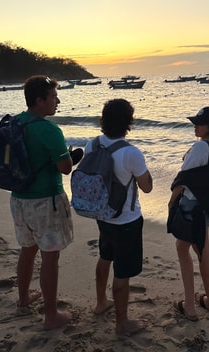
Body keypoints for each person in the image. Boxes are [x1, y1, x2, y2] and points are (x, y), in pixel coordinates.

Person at [10, 75, 82, 330]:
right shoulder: (49, 130)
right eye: (52, 97)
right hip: (46, 201)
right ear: (39, 100)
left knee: (27, 250)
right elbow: (64, 168)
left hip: (19, 199)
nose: (57, 101)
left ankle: (23, 300)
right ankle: (51, 315)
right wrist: (72, 158)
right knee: (50, 258)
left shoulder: (16, 122)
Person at [85, 98, 153, 336]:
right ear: (128, 123)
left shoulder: (92, 144)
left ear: (103, 120)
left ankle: (101, 302)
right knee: (122, 272)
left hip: (102, 214)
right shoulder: (130, 153)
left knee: (105, 255)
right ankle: (122, 324)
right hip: (125, 219)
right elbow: (147, 187)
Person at [168, 106, 209, 321]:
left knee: (186, 250)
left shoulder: (201, 148)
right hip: (204, 208)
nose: (195, 125)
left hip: (191, 206)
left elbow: (183, 179)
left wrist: (171, 202)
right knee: (203, 252)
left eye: (199, 123)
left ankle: (190, 307)